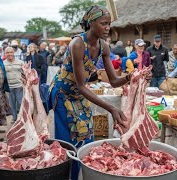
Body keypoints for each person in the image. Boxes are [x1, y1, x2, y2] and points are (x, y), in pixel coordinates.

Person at [48, 5, 137, 180]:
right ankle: (66, 176)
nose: (107, 27)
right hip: (62, 94)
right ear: (91, 23)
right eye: (103, 23)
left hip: (79, 94)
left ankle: (80, 174)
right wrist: (111, 108)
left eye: (109, 23)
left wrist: (133, 76)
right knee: (68, 143)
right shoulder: (78, 44)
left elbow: (114, 81)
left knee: (87, 137)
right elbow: (81, 85)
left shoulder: (104, 46)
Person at [3, 47, 24, 123]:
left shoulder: (20, 62)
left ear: (13, 53)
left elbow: (24, 73)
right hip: (9, 87)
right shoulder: (3, 63)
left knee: (20, 102)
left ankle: (21, 117)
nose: (9, 54)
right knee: (11, 104)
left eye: (11, 52)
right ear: (5, 54)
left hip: (19, 85)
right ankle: (14, 118)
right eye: (7, 52)